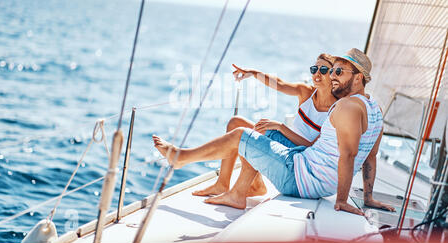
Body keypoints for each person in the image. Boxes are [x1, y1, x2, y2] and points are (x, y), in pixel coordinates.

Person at [153, 48, 395, 215]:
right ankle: (232, 188)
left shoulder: (346, 107)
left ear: (359, 78)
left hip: (302, 177)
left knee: (243, 135)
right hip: (306, 167)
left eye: (337, 72)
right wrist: (368, 199)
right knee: (250, 129)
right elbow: (370, 157)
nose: (331, 77)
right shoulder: (374, 111)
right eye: (331, 71)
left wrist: (341, 200)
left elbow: (350, 155)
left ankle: (181, 158)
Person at [192, 53, 337, 197]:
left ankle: (254, 186)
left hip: (301, 157)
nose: (317, 73)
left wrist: (280, 127)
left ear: (333, 75)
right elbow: (279, 83)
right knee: (236, 123)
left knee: (253, 133)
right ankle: (223, 184)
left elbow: (311, 147)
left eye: (323, 70)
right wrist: (253, 73)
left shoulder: (337, 110)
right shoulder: (306, 92)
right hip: (287, 143)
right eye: (314, 69)